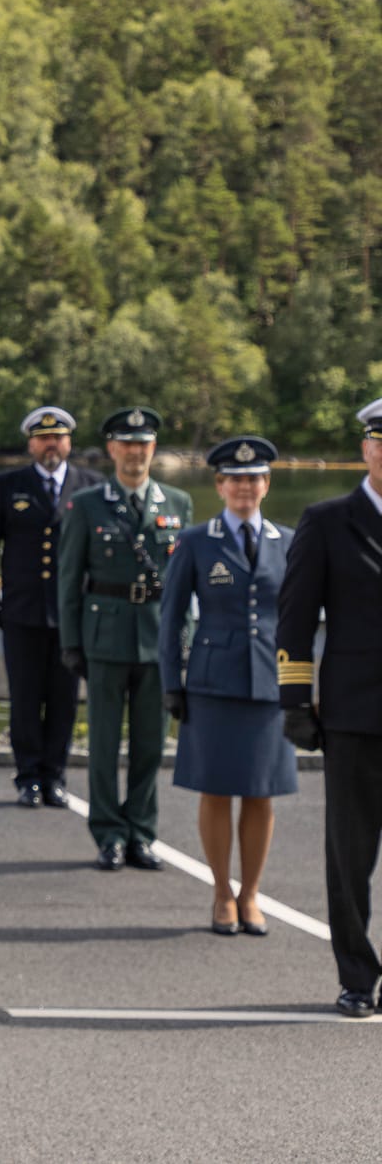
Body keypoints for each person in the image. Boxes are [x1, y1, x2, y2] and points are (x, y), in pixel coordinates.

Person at [159, 436, 296, 938]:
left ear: (266, 484)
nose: (245, 487)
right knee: (216, 790)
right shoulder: (197, 540)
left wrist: (303, 683)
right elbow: (170, 617)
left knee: (262, 793)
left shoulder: (290, 539)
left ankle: (251, 894)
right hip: (213, 683)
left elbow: (301, 617)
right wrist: (170, 682)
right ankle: (221, 892)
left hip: (271, 683)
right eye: (235, 479)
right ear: (219, 484)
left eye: (254, 478)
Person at [277, 397, 382, 1019]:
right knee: (350, 858)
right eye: (379, 440)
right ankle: (356, 977)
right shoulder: (327, 520)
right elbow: (295, 617)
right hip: (354, 715)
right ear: (366, 448)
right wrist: (296, 700)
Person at [57, 406, 193, 872]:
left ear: (153, 449)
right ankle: (108, 833)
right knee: (103, 743)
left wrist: (186, 642)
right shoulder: (88, 503)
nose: (135, 452)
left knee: (151, 745)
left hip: (158, 638)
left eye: (144, 444)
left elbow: (184, 585)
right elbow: (69, 577)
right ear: (112, 449)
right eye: (127, 444)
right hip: (105, 637)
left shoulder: (177, 503)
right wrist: (71, 641)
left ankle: (141, 832)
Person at [0, 406, 103, 807]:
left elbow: (101, 552)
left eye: (58, 437)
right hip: (22, 611)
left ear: (69, 443)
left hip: (72, 613)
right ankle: (28, 776)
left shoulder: (91, 485)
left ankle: (56, 777)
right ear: (31, 443)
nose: (51, 444)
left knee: (64, 699)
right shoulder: (8, 484)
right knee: (25, 697)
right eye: (43, 438)